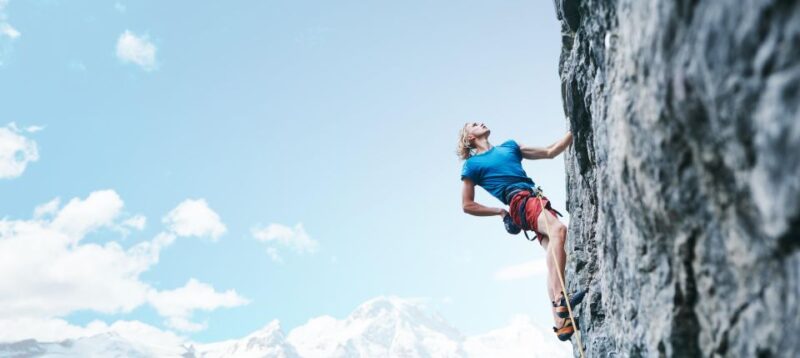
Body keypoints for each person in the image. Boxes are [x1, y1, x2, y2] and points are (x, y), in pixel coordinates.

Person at [456, 122, 584, 341]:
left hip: (533, 199)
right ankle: (561, 299)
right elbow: (467, 205)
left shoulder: (510, 146)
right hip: (520, 202)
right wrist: (500, 212)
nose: (481, 123)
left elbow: (549, 151)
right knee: (559, 230)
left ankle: (560, 322)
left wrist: (576, 128)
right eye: (474, 124)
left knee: (554, 249)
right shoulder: (472, 165)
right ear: (469, 138)